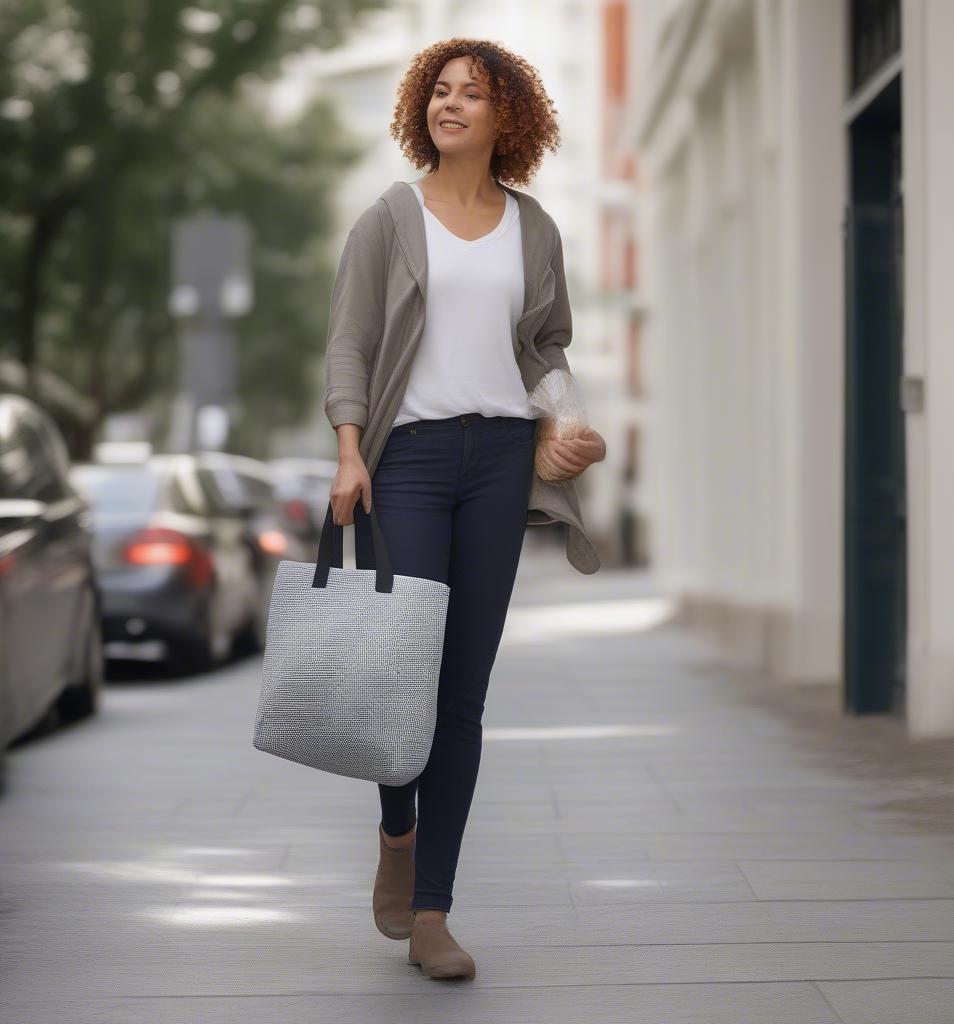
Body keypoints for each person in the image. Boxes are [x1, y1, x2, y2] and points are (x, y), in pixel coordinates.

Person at [324, 39, 606, 981]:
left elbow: (545, 347)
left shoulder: (534, 229)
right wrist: (349, 450)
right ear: (422, 111)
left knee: (464, 695)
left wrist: (566, 423)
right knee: (403, 676)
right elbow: (351, 343)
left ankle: (434, 908)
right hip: (407, 459)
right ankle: (395, 834)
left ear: (505, 117)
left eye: (471, 95)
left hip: (496, 461)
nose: (451, 105)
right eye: (439, 93)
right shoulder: (389, 219)